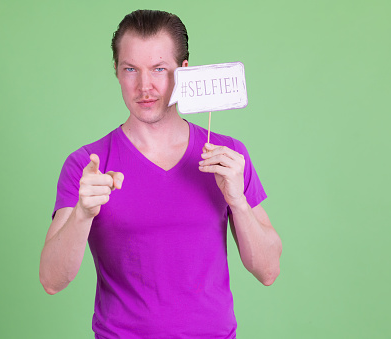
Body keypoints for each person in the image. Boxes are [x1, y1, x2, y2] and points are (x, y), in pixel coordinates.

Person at [39, 9, 282, 338]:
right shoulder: (88, 165)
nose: (144, 86)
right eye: (130, 69)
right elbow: (52, 280)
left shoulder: (228, 157)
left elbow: (268, 270)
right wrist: (82, 214)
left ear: (183, 73)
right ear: (116, 71)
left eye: (158, 69)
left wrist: (237, 201)